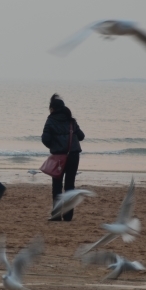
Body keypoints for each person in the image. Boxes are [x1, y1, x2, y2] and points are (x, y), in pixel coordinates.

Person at [41, 93, 85, 221]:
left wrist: (54, 146)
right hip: (73, 155)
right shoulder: (72, 121)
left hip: (59, 157)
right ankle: (68, 215)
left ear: (52, 108)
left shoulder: (50, 120)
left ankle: (56, 215)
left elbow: (45, 139)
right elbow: (81, 136)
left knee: (57, 186)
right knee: (70, 185)